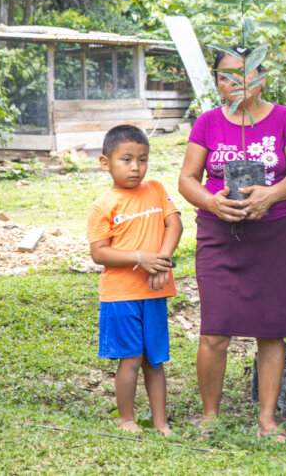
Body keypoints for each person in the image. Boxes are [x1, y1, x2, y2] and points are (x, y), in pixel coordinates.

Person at [178, 46, 286, 442]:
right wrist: (210, 201)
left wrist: (270, 195)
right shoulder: (207, 123)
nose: (235, 83)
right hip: (219, 236)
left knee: (272, 330)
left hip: (272, 235)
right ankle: (209, 417)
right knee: (214, 331)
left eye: (244, 74)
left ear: (261, 78)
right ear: (217, 82)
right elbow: (187, 178)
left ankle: (268, 422)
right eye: (226, 76)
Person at [88, 124, 182, 436]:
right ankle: (126, 419)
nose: (136, 167)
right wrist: (141, 258)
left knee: (154, 360)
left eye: (142, 159)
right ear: (106, 163)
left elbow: (175, 224)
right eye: (126, 159)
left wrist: (162, 260)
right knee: (131, 358)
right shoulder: (103, 205)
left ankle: (160, 422)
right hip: (120, 295)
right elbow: (99, 254)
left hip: (154, 292)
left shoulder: (155, 188)